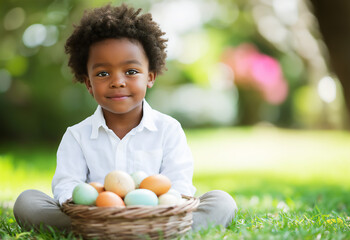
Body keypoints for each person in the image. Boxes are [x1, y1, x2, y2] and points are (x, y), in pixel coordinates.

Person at [13, 3, 238, 233]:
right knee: (27, 202)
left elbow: (179, 186)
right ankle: (126, 234)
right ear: (89, 83)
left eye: (131, 72)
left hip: (156, 218)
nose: (118, 81)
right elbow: (66, 186)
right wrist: (100, 203)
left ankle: (144, 233)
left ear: (149, 77)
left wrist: (150, 205)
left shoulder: (168, 129)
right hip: (94, 219)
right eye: (103, 73)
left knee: (221, 201)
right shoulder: (77, 136)